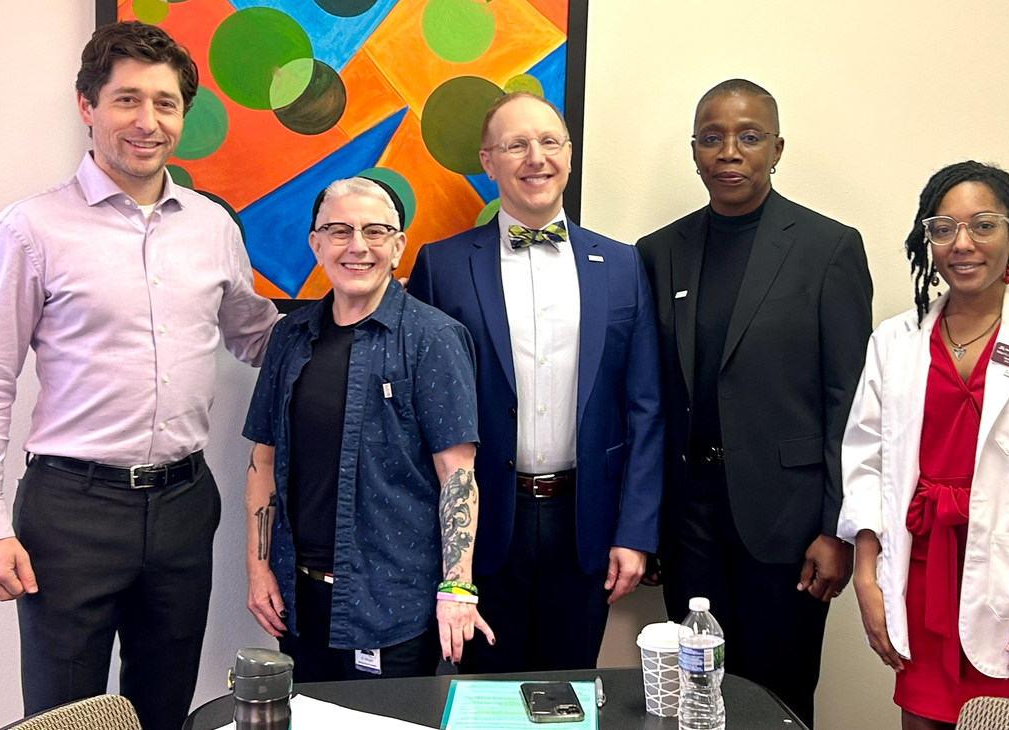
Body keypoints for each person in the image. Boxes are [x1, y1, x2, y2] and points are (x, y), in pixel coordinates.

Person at [0, 21, 279, 730]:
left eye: (165, 104)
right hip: (71, 513)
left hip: (187, 504)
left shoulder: (213, 226)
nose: (147, 122)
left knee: (163, 710)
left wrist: (357, 321)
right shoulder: (30, 229)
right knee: (70, 719)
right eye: (128, 100)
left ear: (183, 116)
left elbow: (257, 340)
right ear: (87, 105)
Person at [837, 161, 1009, 728]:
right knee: (921, 722)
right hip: (919, 572)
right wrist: (867, 575)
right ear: (927, 239)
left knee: (1000, 720)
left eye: (983, 226)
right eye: (943, 228)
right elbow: (866, 460)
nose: (962, 244)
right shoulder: (895, 340)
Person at [635, 79, 873, 727]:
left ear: (777, 147)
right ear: (694, 151)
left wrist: (837, 528)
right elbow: (648, 399)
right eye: (712, 138)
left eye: (748, 136)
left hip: (790, 526)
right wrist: (647, 526)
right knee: (693, 697)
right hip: (689, 524)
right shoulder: (659, 253)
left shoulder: (829, 248)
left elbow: (849, 404)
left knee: (777, 698)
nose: (729, 152)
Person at [407, 91, 664, 672]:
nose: (535, 157)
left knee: (567, 695)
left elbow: (645, 408)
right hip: (481, 526)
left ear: (569, 156)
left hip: (588, 523)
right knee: (485, 698)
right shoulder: (441, 265)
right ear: (488, 160)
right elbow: (416, 414)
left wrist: (636, 531)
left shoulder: (623, 265)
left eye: (549, 142)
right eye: (515, 144)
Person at [242, 177, 491, 680]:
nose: (357, 246)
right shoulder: (289, 338)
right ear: (315, 244)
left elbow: (457, 475)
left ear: (398, 247)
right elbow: (262, 463)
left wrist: (457, 588)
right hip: (300, 600)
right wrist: (258, 569)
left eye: (375, 231)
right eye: (339, 231)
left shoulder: (434, 338)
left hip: (391, 604)